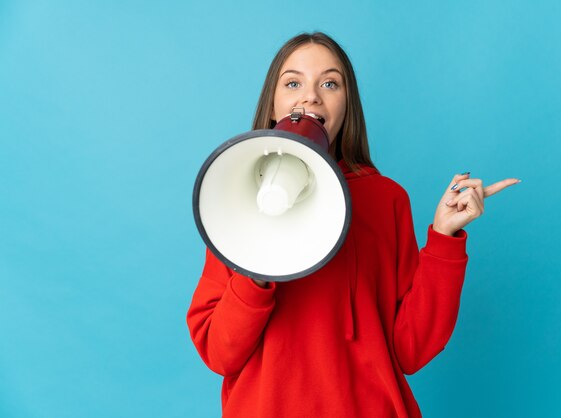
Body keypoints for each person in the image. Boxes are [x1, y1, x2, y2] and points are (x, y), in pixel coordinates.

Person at [187, 32, 519, 418]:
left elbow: (410, 350)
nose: (311, 96)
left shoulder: (386, 199)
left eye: (330, 83)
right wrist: (257, 266)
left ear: (348, 105)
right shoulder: (233, 198)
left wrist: (444, 238)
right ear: (273, 101)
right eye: (293, 82)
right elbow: (218, 351)